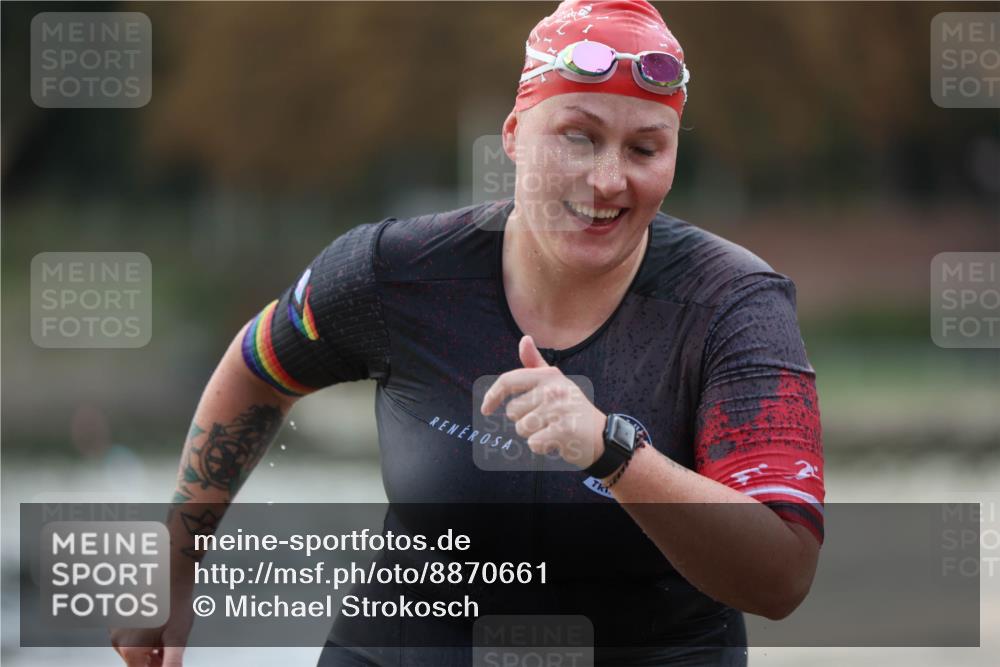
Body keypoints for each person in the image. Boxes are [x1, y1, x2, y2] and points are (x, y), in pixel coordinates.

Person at [112, 1, 824, 665]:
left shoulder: (732, 305)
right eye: (577, 136)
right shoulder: (394, 272)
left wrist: (613, 452)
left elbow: (783, 574)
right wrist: (176, 563)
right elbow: (259, 366)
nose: (608, 179)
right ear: (514, 136)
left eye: (644, 148)